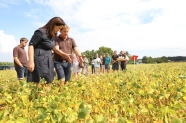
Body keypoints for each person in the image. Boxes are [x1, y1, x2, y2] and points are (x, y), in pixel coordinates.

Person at [27, 17, 65, 84]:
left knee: (49, 81)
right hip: (39, 59)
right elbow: (31, 45)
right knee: (40, 82)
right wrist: (31, 62)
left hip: (48, 59)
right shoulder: (40, 32)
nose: (59, 30)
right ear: (54, 25)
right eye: (59, 28)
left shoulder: (51, 35)